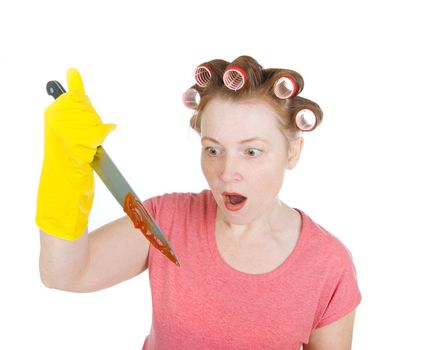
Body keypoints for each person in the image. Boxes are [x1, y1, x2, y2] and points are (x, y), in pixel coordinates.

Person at [36, 56, 362, 350]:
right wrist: (64, 167)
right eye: (213, 149)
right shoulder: (167, 220)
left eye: (252, 151)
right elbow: (64, 274)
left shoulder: (329, 266)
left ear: (293, 152)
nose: (227, 172)